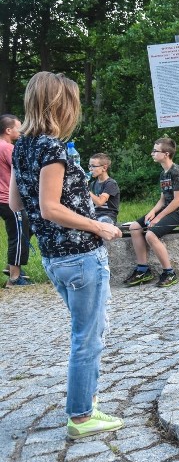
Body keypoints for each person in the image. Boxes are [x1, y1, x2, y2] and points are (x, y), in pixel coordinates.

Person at [10, 72, 124, 439]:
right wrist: (99, 226)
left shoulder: (23, 146)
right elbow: (48, 207)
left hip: (54, 259)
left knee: (89, 331)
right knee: (87, 337)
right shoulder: (52, 148)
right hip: (80, 256)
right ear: (61, 104)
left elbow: (16, 202)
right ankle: (81, 416)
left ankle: (85, 401)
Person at [124, 137, 179, 288]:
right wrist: (152, 212)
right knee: (135, 227)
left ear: (166, 154)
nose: (152, 153)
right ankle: (143, 269)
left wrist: (158, 218)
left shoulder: (178, 172)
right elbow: (163, 199)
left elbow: (178, 201)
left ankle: (169, 273)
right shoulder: (164, 173)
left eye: (155, 151)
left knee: (151, 234)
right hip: (168, 208)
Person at [0, 114, 33, 286]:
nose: (21, 131)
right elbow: (21, 174)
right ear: (8, 130)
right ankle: (14, 278)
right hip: (9, 199)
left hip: (2, 200)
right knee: (19, 235)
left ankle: (11, 265)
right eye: (18, 127)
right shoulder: (8, 148)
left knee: (28, 226)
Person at [88, 153, 120, 224]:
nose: (90, 169)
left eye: (93, 166)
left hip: (108, 216)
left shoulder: (111, 183)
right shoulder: (93, 184)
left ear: (104, 168)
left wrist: (85, 190)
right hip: (94, 215)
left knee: (99, 225)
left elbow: (100, 202)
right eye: (89, 166)